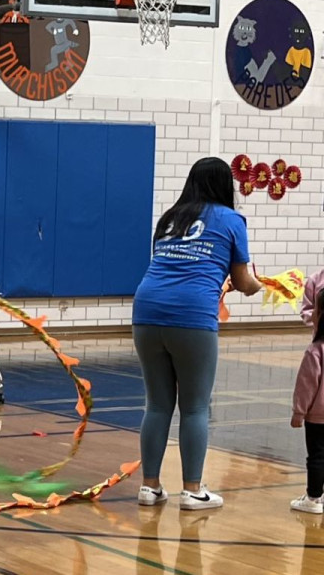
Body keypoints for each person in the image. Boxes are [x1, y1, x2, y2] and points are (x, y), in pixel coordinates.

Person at [132, 156, 261, 511]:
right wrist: (257, 286)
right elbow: (242, 280)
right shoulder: (232, 219)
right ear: (225, 185)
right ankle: (192, 490)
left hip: (146, 311)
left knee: (157, 404)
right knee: (195, 408)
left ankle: (149, 487)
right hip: (192, 315)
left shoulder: (169, 218)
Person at [292, 289, 324, 514]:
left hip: (317, 417)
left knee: (317, 456)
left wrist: (298, 413)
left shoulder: (315, 351)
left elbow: (306, 386)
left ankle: (313, 498)